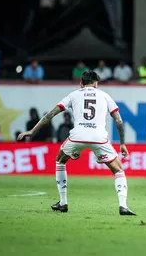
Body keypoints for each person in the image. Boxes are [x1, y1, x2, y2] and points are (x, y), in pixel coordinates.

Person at [17, 71, 136, 215]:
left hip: (77, 137)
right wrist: (122, 143)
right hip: (99, 138)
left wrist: (31, 131)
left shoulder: (74, 95)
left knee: (60, 161)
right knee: (118, 170)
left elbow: (50, 115)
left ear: (81, 83)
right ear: (96, 84)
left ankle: (63, 202)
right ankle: (123, 206)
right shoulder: (104, 95)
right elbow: (119, 121)